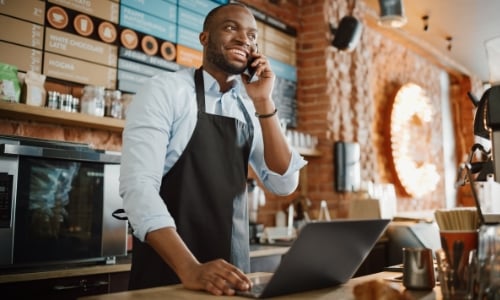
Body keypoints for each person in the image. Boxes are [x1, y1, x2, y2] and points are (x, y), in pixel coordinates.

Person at [119, 2, 307, 296]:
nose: (245, 39)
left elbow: (284, 182)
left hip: (234, 277)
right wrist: (190, 268)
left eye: (252, 35)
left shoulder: (249, 108)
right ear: (204, 37)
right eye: (231, 28)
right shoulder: (166, 91)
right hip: (170, 276)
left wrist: (264, 103)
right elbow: (138, 188)